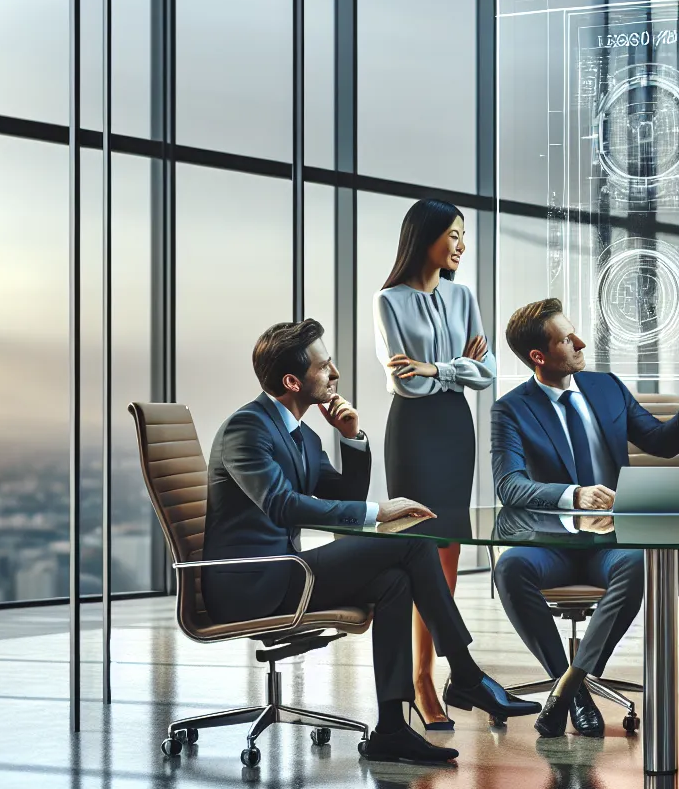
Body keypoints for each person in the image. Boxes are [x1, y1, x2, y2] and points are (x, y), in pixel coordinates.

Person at [200, 319, 538, 765]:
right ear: (291, 381)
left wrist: (352, 438)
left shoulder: (301, 434)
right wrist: (382, 511)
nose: (335, 373)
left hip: (284, 573)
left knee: (394, 581)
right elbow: (282, 505)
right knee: (414, 542)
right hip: (249, 586)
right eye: (325, 367)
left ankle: (393, 729)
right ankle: (467, 674)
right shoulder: (248, 429)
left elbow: (344, 498)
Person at [490, 297, 679, 737]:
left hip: (610, 543)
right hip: (552, 544)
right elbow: (509, 485)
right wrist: (574, 494)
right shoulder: (511, 409)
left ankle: (566, 687)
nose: (580, 341)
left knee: (636, 561)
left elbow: (663, 443)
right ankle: (575, 691)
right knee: (509, 567)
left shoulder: (606, 387)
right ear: (539, 356)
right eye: (567, 338)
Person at [373, 198, 496, 731]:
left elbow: (487, 372)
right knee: (416, 550)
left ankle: (435, 673)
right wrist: (456, 368)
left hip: (454, 428)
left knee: (447, 554)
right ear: (424, 237)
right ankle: (419, 681)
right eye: (453, 234)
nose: (461, 245)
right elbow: (407, 381)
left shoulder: (463, 295)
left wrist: (438, 367)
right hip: (415, 430)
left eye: (463, 235)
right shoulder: (389, 301)